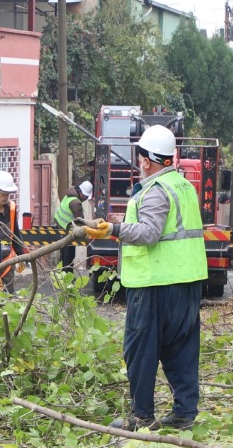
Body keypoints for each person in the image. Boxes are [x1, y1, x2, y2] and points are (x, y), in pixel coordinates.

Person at [84, 126, 205, 431]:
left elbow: (149, 233)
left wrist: (113, 229)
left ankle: (141, 416)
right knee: (182, 349)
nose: (138, 162)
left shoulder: (156, 191)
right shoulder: (183, 186)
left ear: (148, 161)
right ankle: (184, 413)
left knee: (140, 349)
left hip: (155, 284)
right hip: (187, 281)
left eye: (139, 156)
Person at [0, 170, 23, 289]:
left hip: (8, 261)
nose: (5, 197)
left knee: (8, 297)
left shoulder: (11, 209)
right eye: (3, 194)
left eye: (8, 194)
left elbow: (16, 234)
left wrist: (21, 256)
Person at [54, 180, 92, 272]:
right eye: (86, 197)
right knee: (69, 255)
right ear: (82, 194)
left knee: (64, 254)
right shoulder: (75, 203)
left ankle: (63, 275)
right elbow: (80, 221)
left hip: (60, 224)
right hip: (66, 229)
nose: (86, 199)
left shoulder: (70, 194)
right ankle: (67, 277)